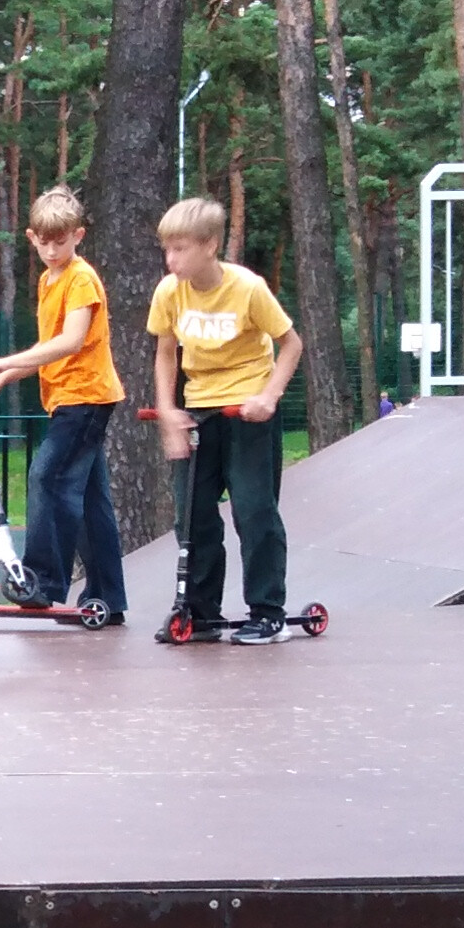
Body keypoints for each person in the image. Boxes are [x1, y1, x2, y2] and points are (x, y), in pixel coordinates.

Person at [146, 194, 304, 645]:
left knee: (253, 510)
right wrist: (168, 412)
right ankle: (199, 613)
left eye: (180, 249)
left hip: (246, 410)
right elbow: (165, 353)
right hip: (200, 409)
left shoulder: (247, 288)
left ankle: (268, 612)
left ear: (210, 245)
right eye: (167, 249)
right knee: (191, 515)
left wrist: (269, 396)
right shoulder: (169, 292)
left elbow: (291, 344)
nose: (171, 259)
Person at [0, 181, 128, 623]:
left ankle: (41, 582)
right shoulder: (48, 280)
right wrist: (6, 375)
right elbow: (49, 348)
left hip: (86, 397)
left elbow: (71, 341)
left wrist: (5, 361)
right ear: (31, 237)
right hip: (65, 397)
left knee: (48, 478)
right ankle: (107, 598)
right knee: (90, 501)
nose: (51, 250)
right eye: (43, 242)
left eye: (60, 242)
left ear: (78, 235)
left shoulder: (81, 278)